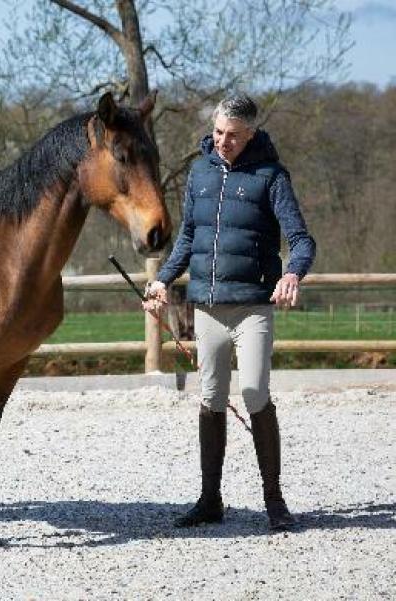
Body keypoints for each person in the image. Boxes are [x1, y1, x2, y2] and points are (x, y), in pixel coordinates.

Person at [143, 93, 315, 531]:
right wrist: (162, 279)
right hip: (208, 308)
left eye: (233, 135)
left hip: (253, 307)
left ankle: (274, 501)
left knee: (256, 392)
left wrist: (292, 273)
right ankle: (209, 499)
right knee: (210, 400)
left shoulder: (271, 177)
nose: (222, 141)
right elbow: (187, 239)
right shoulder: (199, 173)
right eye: (218, 132)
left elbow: (301, 240)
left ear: (251, 134)